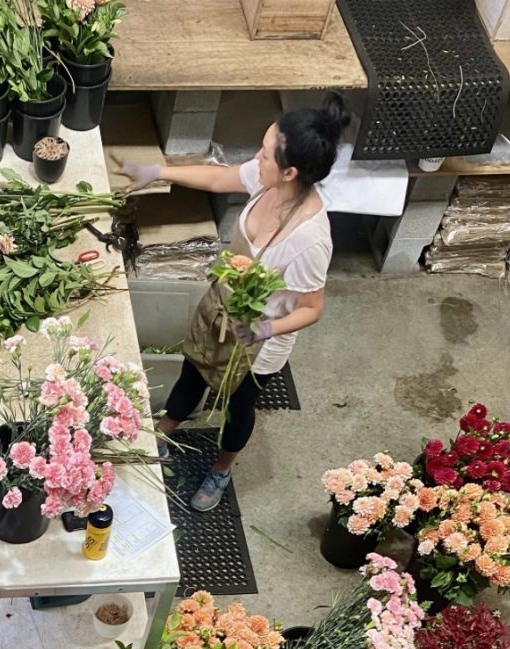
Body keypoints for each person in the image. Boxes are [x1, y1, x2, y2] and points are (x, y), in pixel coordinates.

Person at [123, 92, 350, 511]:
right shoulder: (268, 182)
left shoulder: (311, 239)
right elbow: (219, 178)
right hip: (222, 310)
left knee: (237, 406)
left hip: (259, 342)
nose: (256, 158)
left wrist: (264, 328)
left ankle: (222, 468)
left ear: (290, 171)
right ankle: (165, 431)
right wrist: (158, 172)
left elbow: (311, 308)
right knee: (193, 372)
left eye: (264, 153)